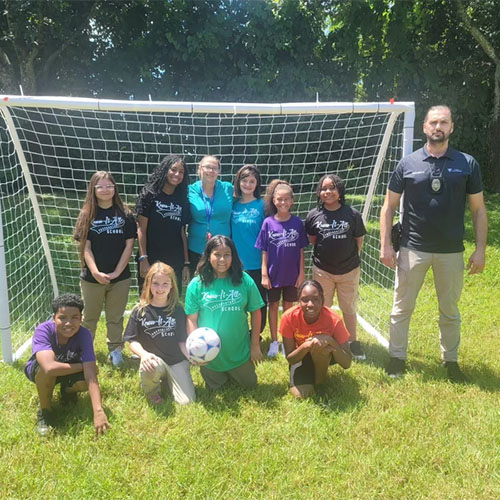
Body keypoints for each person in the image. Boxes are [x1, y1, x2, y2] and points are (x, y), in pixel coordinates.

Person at [380, 105, 488, 382]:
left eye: (443, 122)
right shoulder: (408, 163)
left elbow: (478, 210)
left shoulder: (467, 163)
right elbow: (388, 207)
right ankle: (397, 358)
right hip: (412, 248)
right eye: (433, 122)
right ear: (424, 128)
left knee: (449, 310)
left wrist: (479, 249)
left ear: (451, 127)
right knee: (401, 307)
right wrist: (386, 245)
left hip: (451, 251)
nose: (438, 127)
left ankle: (450, 361)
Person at [73, 171, 136, 367]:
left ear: (115, 188)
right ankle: (83, 352)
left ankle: (115, 351)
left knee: (115, 317)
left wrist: (117, 272)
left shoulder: (125, 213)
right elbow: (85, 248)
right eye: (100, 186)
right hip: (92, 278)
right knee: (89, 317)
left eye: (109, 185)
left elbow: (129, 245)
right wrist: (95, 272)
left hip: (120, 277)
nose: (105, 190)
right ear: (93, 189)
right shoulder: (87, 214)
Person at [24, 293, 110, 437]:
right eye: (62, 318)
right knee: (47, 372)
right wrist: (82, 366)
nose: (68, 323)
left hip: (67, 368)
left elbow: (91, 375)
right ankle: (45, 412)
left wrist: (98, 411)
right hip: (42, 371)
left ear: (81, 318)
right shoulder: (43, 330)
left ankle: (67, 391)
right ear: (53, 318)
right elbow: (49, 367)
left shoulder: (84, 334)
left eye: (74, 317)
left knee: (86, 380)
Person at [185, 235, 264, 390]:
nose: (222, 259)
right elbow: (191, 319)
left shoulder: (244, 280)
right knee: (216, 389)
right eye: (217, 254)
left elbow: (256, 312)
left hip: (239, 354)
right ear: (208, 256)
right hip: (210, 358)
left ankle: (237, 372)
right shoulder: (196, 284)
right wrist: (196, 349)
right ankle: (216, 376)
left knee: (250, 386)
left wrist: (254, 345)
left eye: (227, 254)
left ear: (233, 256)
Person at [305, 174, 367, 360]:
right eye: (323, 188)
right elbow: (313, 240)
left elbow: (358, 241)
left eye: (332, 187)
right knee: (323, 307)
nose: (327, 192)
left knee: (348, 307)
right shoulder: (313, 215)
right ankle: (326, 339)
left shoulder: (352, 214)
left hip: (349, 270)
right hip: (323, 270)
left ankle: (352, 341)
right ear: (319, 192)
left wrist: (346, 260)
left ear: (340, 191)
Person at [124, 262, 195, 406]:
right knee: (149, 366)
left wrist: (191, 356)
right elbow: (132, 341)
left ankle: (169, 380)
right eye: (155, 283)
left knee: (187, 402)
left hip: (177, 361)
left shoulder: (178, 310)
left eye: (165, 284)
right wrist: (143, 355)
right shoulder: (140, 310)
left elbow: (182, 340)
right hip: (154, 360)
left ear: (172, 286)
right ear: (148, 284)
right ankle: (153, 391)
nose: (160, 288)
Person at [255, 180, 309, 358]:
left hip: (292, 274)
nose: (283, 203)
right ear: (274, 201)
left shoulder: (297, 223)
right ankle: (274, 341)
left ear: (292, 201)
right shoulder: (268, 223)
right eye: (279, 199)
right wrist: (264, 273)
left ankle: (287, 340)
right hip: (273, 274)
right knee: (273, 306)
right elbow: (264, 250)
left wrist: (302, 273)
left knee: (289, 307)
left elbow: (301, 250)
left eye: (286, 199)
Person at [280, 280, 351, 399]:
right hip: (301, 356)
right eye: (305, 299)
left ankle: (320, 381)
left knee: (321, 347)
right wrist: (306, 346)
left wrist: (329, 340)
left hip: (326, 353)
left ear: (323, 301)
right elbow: (291, 359)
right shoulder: (288, 318)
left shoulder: (334, 319)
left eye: (315, 299)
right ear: (298, 301)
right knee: (301, 396)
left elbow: (347, 363)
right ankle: (310, 374)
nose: (310, 304)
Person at [136, 155, 191, 293]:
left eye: (181, 172)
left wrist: (186, 263)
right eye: (173, 169)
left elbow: (182, 232)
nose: (177, 174)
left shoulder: (182, 199)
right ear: (165, 170)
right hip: (151, 258)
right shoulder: (150, 195)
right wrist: (143, 258)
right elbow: (141, 228)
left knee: (172, 300)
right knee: (148, 300)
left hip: (175, 260)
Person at [231, 164, 267, 332]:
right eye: (244, 180)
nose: (247, 184)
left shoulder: (263, 205)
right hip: (236, 263)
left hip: (257, 263)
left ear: (257, 184)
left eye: (252, 181)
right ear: (238, 182)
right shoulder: (233, 205)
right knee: (238, 300)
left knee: (258, 301)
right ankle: (239, 332)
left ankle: (257, 333)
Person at [187, 155, 233, 275]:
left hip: (222, 250)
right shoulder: (190, 190)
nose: (211, 171)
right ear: (199, 169)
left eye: (215, 168)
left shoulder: (227, 188)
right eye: (207, 167)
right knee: (199, 286)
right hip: (197, 249)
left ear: (218, 171)